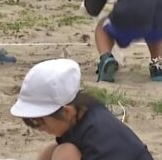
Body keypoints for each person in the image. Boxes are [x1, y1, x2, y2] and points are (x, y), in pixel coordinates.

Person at [10, 59, 154, 160]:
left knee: (64, 152)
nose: (42, 130)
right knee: (52, 150)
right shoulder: (81, 117)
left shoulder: (100, 135)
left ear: (67, 111)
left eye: (42, 123)